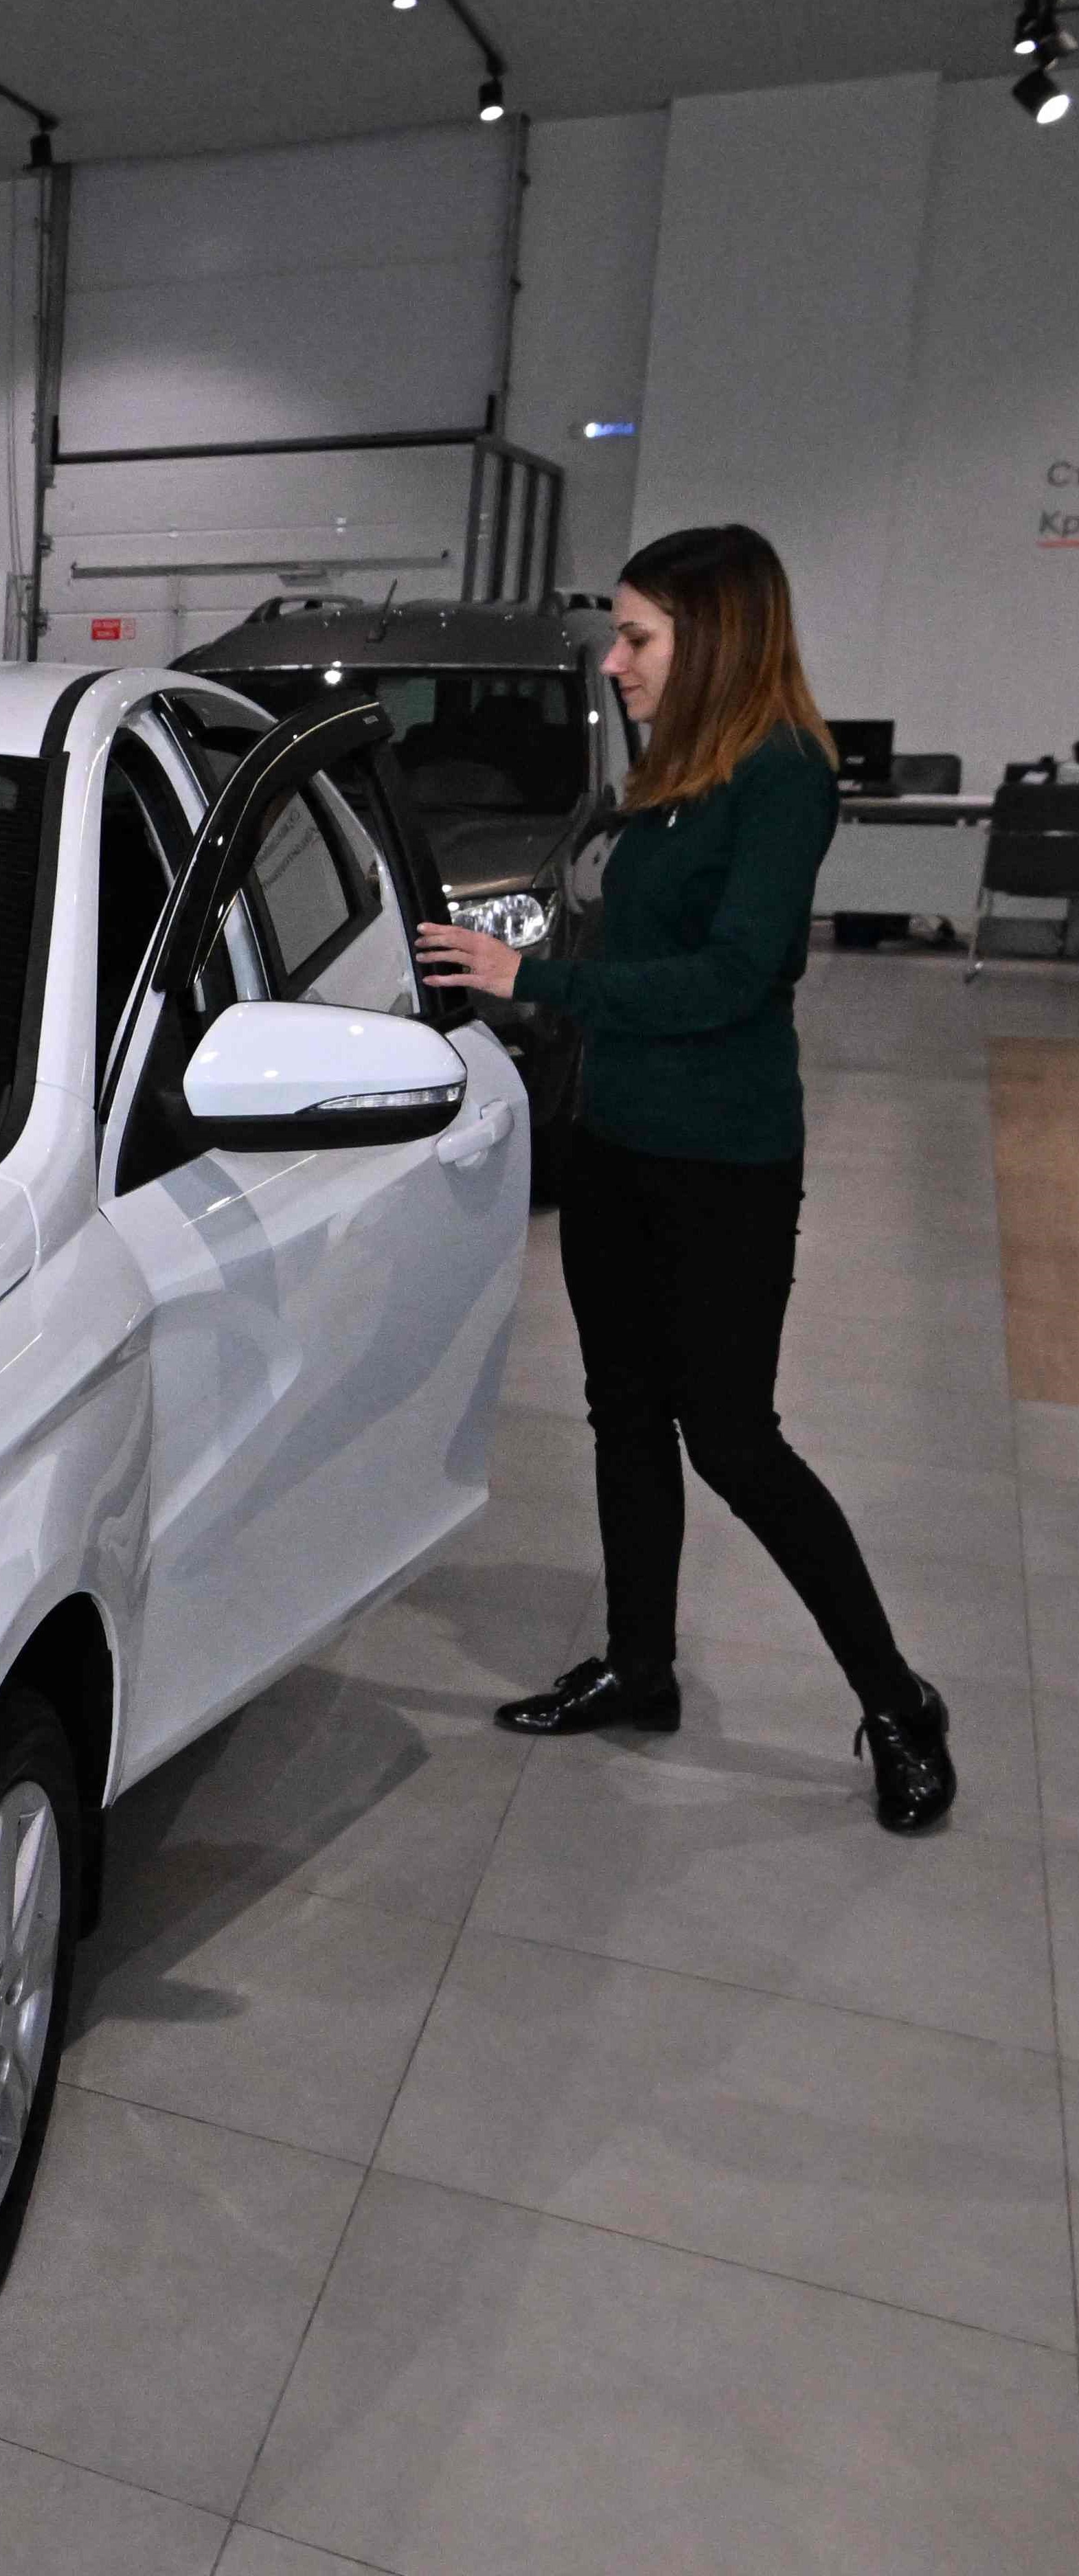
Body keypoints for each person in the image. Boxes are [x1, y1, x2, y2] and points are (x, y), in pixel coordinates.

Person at [416, 523, 953, 1833]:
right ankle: (638, 1667)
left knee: (730, 1438)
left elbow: (731, 977)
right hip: (614, 1141)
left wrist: (533, 978)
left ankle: (895, 1703)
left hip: (722, 1158)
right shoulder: (669, 774)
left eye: (637, 636)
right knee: (620, 1413)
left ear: (712, 638)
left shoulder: (781, 774)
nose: (614, 661)